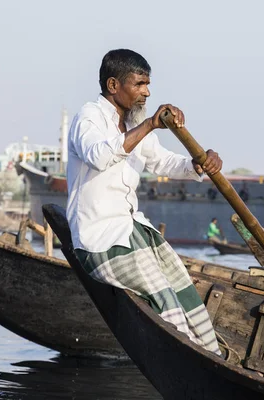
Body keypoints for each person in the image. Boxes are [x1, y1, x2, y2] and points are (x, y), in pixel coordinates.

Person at [67, 49, 222, 355]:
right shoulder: (88, 118)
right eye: (139, 84)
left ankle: (214, 358)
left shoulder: (134, 123)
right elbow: (99, 156)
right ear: (113, 85)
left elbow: (163, 162)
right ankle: (192, 361)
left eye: (148, 84)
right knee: (166, 303)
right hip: (98, 241)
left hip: (133, 232)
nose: (146, 92)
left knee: (186, 296)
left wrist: (199, 163)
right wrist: (150, 124)